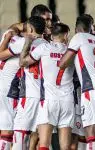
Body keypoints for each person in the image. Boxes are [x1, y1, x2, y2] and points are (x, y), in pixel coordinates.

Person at [59, 15, 95, 150]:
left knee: (90, 131)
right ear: (91, 27)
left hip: (91, 87)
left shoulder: (78, 37)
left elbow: (63, 63)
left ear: (77, 28)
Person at [19, 23, 74, 150]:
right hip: (68, 101)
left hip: (49, 100)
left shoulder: (44, 48)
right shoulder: (71, 51)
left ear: (51, 34)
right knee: (65, 147)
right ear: (66, 35)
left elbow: (22, 62)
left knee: (44, 143)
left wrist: (27, 42)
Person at [11, 16, 47, 150]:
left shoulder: (24, 42)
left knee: (20, 135)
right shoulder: (48, 46)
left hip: (29, 95)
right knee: (38, 138)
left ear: (31, 29)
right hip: (44, 97)